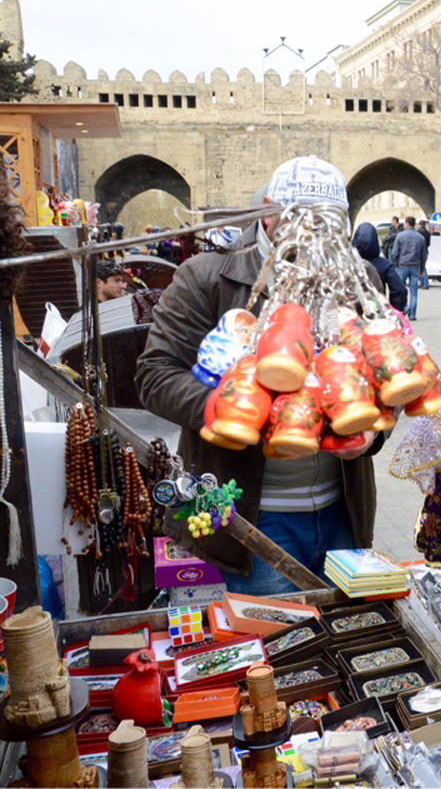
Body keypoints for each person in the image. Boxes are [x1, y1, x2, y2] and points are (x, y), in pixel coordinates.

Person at [136, 155, 385, 596]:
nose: (317, 237)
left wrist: (372, 431)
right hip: (245, 519)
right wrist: (233, 409)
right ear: (269, 214)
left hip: (341, 513)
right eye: (303, 223)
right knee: (273, 652)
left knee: (337, 644)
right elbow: (155, 376)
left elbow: (382, 377)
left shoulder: (357, 278)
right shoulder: (207, 278)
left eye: (329, 225)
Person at [353, 221, 408, 313]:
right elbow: (399, 290)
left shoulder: (347, 264)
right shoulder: (385, 265)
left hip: (352, 315)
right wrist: (394, 310)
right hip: (378, 312)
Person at [389, 216, 427, 320]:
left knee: (400, 289)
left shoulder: (400, 236)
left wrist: (395, 264)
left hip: (403, 266)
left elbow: (394, 253)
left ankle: (403, 309)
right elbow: (424, 255)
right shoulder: (420, 237)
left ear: (406, 224)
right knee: (414, 292)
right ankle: (412, 315)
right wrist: (422, 269)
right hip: (415, 266)